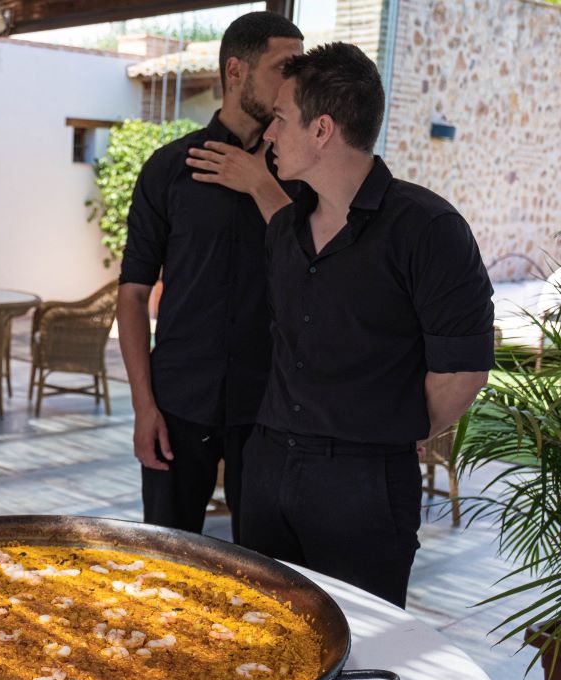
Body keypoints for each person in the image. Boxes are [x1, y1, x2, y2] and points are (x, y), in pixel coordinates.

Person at [202, 43, 494, 608]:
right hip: (267, 469)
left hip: (364, 485)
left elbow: (462, 372)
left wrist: (385, 431)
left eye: (281, 118)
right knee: (260, 632)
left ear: (322, 130)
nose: (269, 134)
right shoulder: (283, 229)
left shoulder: (430, 230)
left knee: (363, 642)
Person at [117, 11, 303, 542]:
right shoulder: (168, 169)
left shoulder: (301, 178)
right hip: (177, 403)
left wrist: (262, 185)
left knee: (267, 565)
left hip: (270, 410)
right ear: (236, 71)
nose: (293, 83)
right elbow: (132, 294)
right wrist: (144, 407)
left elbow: (321, 273)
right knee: (166, 559)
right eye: (283, 67)